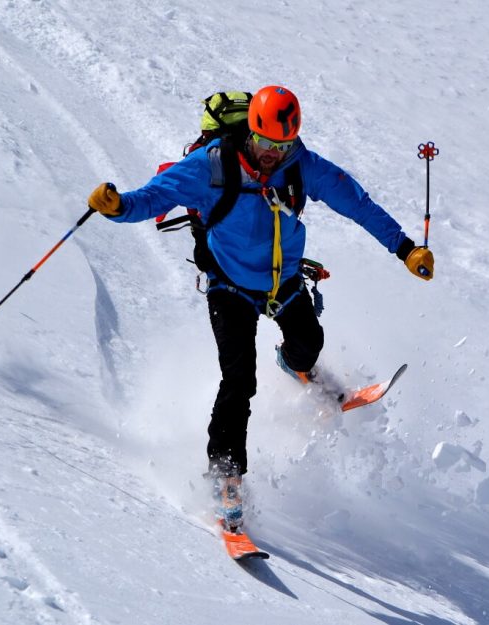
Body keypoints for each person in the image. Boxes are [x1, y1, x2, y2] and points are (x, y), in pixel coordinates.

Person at [87, 85, 434, 533]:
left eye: (284, 145)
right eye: (268, 144)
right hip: (229, 286)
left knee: (309, 342)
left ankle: (297, 367)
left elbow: (357, 204)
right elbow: (153, 197)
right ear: (251, 132)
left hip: (281, 281)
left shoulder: (301, 165)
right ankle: (225, 476)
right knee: (239, 378)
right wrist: (117, 207)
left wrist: (405, 249)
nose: (274, 154)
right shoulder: (210, 165)